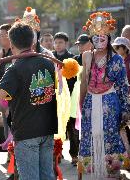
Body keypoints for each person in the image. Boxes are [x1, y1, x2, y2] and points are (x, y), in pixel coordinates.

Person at [0, 22, 57, 180]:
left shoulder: (15, 68)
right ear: (33, 42)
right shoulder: (48, 63)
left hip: (27, 131)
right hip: (47, 129)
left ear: (12, 44)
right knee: (47, 176)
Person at [79, 12, 130, 179]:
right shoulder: (86, 56)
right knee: (91, 135)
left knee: (109, 136)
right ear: (91, 38)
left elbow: (123, 86)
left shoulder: (116, 59)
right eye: (95, 37)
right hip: (90, 103)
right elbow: (84, 83)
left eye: (103, 37)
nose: (99, 41)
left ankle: (112, 172)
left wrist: (125, 109)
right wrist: (81, 104)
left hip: (110, 102)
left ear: (109, 38)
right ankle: (95, 172)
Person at [53, 32, 79, 165]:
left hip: (70, 98)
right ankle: (57, 153)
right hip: (55, 98)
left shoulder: (72, 59)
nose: (58, 45)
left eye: (60, 42)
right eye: (56, 42)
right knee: (57, 127)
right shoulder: (50, 57)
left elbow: (76, 80)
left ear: (66, 43)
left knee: (72, 128)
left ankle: (74, 155)